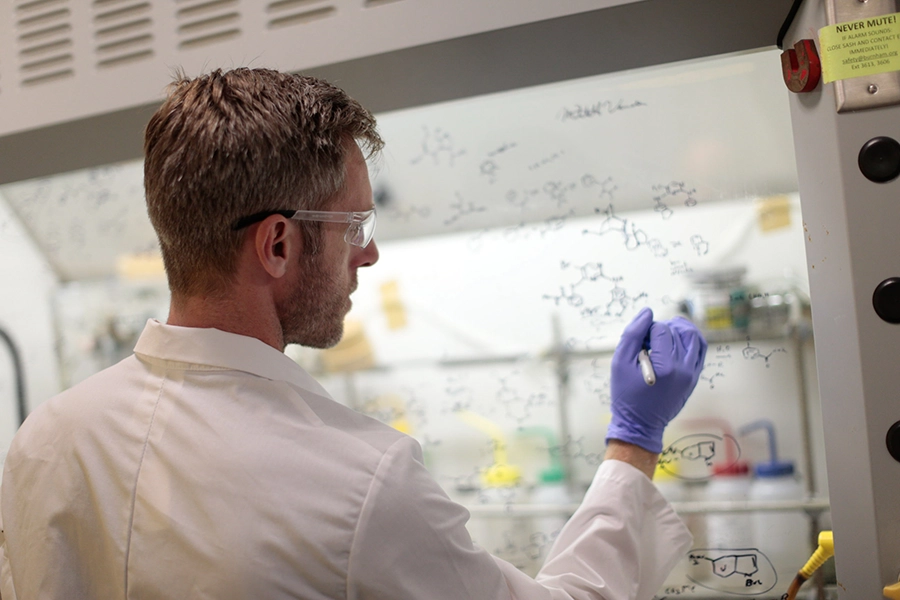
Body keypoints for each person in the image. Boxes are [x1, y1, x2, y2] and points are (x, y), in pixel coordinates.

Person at [0, 68, 707, 599]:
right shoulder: (363, 485)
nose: (367, 254)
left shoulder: (46, 439)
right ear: (276, 245)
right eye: (353, 227)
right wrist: (632, 445)